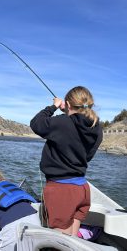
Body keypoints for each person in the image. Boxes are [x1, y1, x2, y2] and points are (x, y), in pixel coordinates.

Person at [30, 86, 103, 236]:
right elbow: (85, 155)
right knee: (72, 240)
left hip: (61, 191)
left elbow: (36, 123)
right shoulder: (97, 129)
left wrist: (54, 106)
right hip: (82, 189)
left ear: (68, 104)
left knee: (60, 242)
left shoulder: (62, 123)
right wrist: (66, 112)